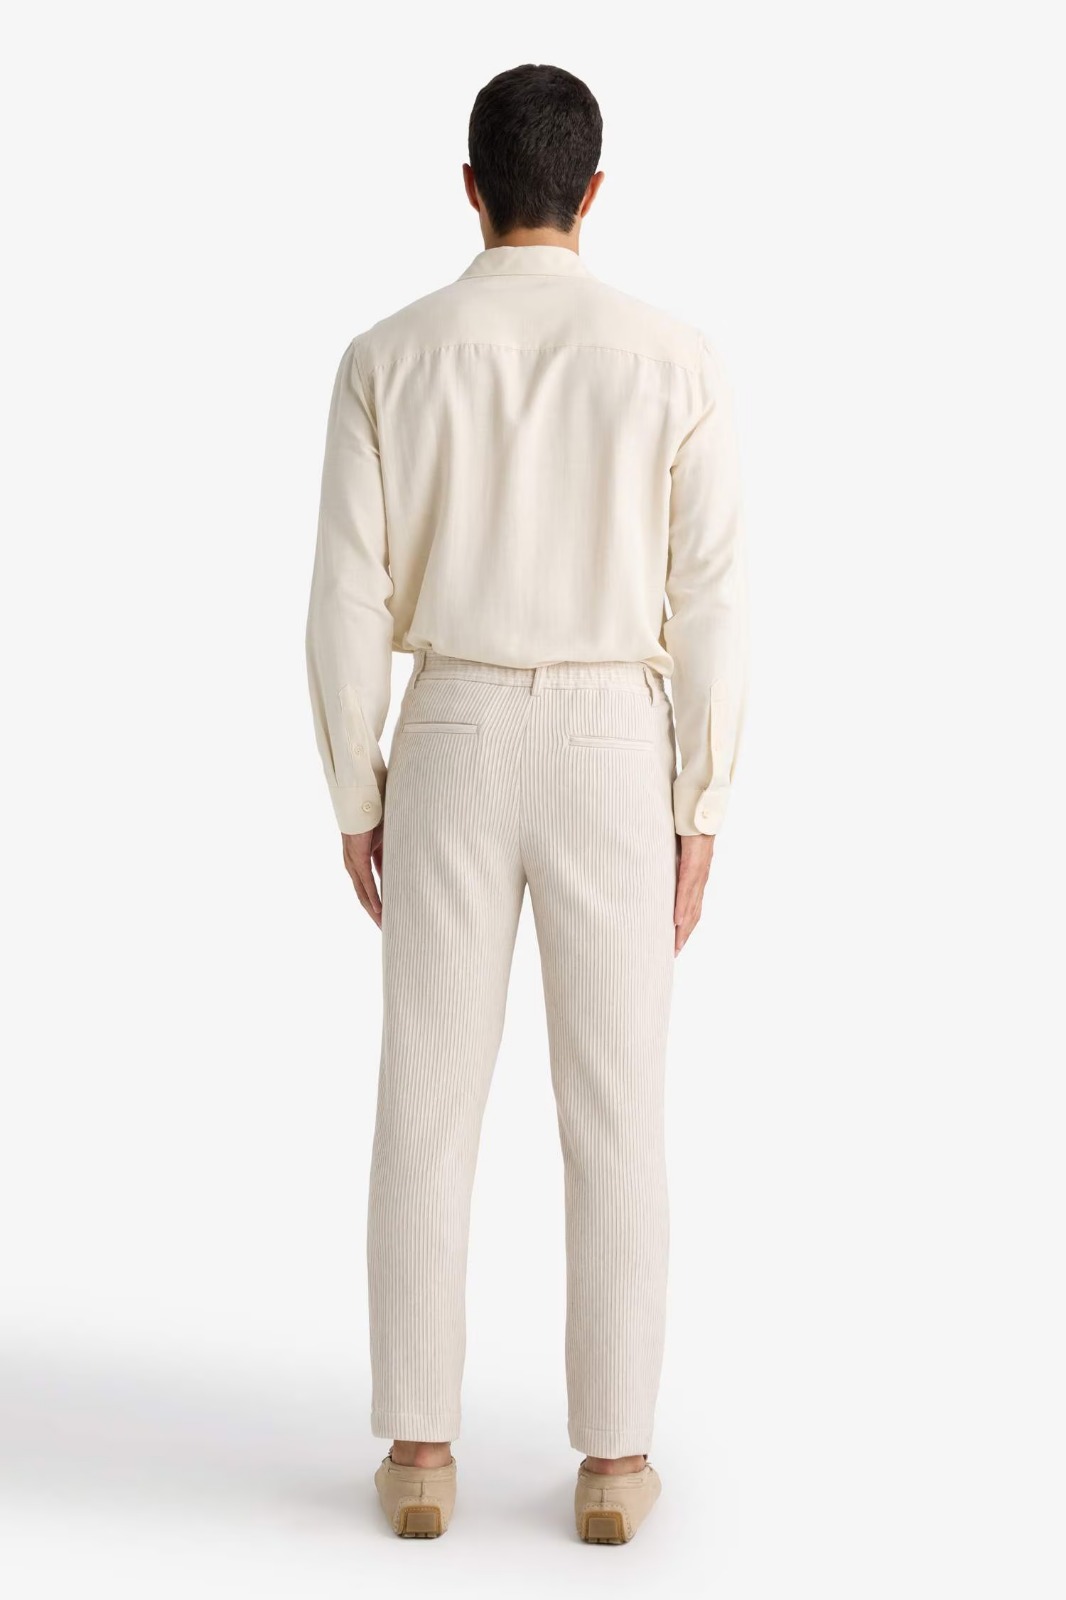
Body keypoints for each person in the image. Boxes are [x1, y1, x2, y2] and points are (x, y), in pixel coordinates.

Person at [305, 61, 747, 1544]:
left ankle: (420, 1451)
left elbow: (345, 595)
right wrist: (701, 802)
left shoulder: (386, 356)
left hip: (448, 723)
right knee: (616, 1110)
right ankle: (614, 1462)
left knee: (424, 1100)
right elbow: (713, 598)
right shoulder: (674, 360)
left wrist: (355, 781)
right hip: (616, 738)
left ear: (471, 189)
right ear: (593, 192)